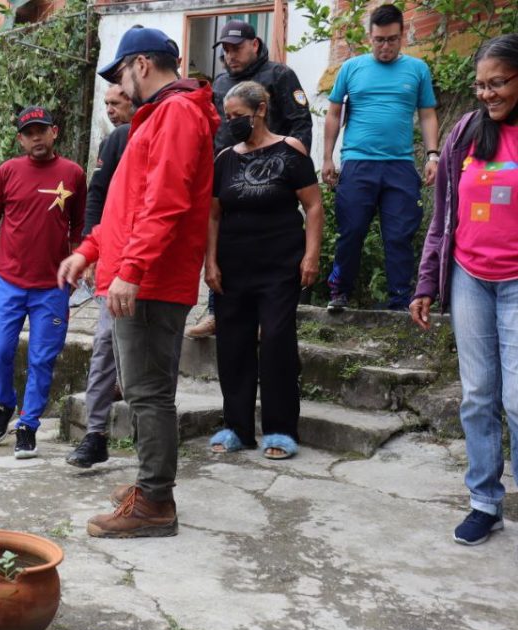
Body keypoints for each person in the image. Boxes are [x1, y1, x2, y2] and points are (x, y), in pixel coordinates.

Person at [57, 26, 219, 537]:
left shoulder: (174, 114)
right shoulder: (158, 118)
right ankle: (151, 487)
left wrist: (131, 269)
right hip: (141, 275)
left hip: (150, 282)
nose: (123, 86)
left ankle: (154, 504)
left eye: (124, 73)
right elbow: (128, 207)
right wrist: (88, 250)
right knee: (146, 389)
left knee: (149, 394)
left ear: (142, 65)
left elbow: (166, 202)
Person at [410, 33, 518, 546]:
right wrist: (427, 280)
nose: (487, 94)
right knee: (478, 395)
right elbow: (443, 215)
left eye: (497, 83)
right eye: (480, 84)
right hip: (471, 276)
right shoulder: (464, 134)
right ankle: (484, 502)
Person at [204, 81, 324, 460]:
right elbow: (212, 214)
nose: (232, 123)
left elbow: (314, 206)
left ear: (259, 111)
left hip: (280, 266)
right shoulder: (224, 159)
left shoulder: (290, 151)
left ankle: (280, 429)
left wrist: (311, 255)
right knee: (232, 345)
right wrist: (210, 262)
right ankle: (237, 427)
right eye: (228, 117)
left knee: (276, 342)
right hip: (233, 267)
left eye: (237, 116)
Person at [0, 105, 87, 460]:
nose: (36, 137)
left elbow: (78, 226)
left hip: (52, 287)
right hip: (8, 282)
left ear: (54, 132)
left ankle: (28, 426)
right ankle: (5, 404)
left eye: (42, 130)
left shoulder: (73, 174)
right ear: (21, 139)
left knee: (42, 359)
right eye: (29, 132)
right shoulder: (7, 172)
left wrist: (79, 263)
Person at [187, 18, 314, 339]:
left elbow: (301, 123)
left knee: (269, 247)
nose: (230, 55)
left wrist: (290, 170)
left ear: (254, 44)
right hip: (228, 178)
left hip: (270, 181)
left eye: (236, 48)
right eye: (225, 50)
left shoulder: (279, 75)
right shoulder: (219, 84)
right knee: (225, 246)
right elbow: (213, 134)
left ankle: (265, 316)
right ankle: (217, 312)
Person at [323, 3, 440, 312]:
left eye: (391, 39)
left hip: (400, 166)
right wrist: (327, 158)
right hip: (358, 163)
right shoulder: (351, 68)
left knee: (399, 235)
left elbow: (427, 114)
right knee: (351, 231)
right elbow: (334, 114)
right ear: (369, 37)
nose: (385, 46)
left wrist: (432, 155)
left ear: (403, 36)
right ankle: (339, 293)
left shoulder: (417, 70)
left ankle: (400, 301)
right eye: (379, 40)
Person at [66, 84, 134, 468]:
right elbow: (97, 198)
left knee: (148, 355)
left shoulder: (171, 135)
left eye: (115, 103)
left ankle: (152, 440)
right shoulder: (117, 142)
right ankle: (95, 435)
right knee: (105, 344)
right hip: (115, 261)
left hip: (156, 271)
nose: (109, 109)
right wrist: (90, 252)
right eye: (105, 103)